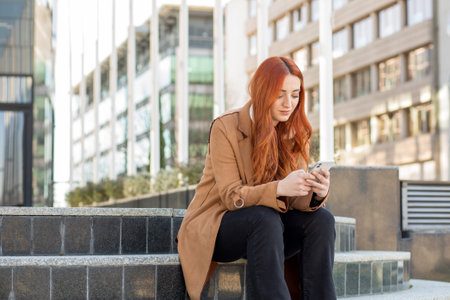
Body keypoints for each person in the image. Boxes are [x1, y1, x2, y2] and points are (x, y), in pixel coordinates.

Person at [177, 56, 336, 300]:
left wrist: (316, 192)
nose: (288, 103)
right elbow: (231, 197)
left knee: (322, 219)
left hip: (270, 228)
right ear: (262, 91)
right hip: (219, 225)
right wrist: (280, 187)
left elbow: (293, 201)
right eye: (280, 94)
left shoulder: (292, 130)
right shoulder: (226, 127)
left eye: (295, 95)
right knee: (264, 217)